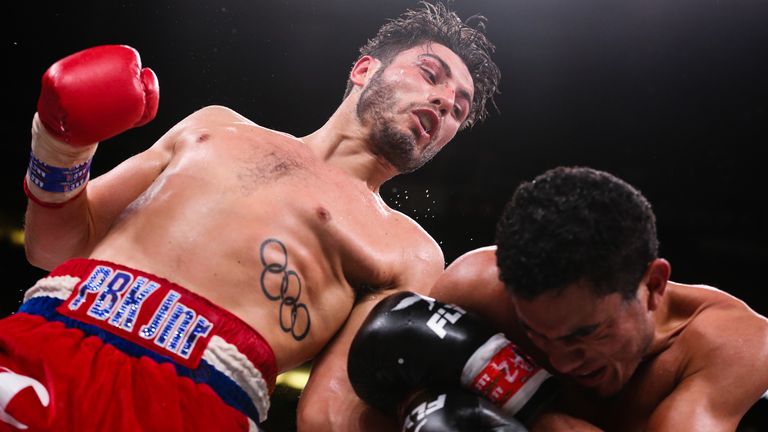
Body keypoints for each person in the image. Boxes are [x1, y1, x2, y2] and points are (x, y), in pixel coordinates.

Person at [0, 2, 501, 430]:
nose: (443, 101)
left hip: (194, 402)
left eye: (459, 108)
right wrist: (60, 149)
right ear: (365, 69)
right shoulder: (215, 126)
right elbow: (54, 248)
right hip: (49, 338)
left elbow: (326, 416)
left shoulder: (407, 248)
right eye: (430, 75)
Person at [429, 166, 768, 431]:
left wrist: (538, 415)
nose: (561, 362)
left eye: (586, 333)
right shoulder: (476, 288)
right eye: (534, 332)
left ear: (653, 285)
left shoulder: (730, 344)